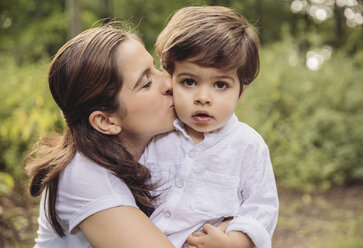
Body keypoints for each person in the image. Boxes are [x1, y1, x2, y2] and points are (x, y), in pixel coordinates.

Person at [25, 23, 178, 247]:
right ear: (106, 121)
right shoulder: (83, 176)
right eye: (146, 83)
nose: (169, 82)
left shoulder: (160, 143)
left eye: (156, 67)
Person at [140, 6, 279, 248]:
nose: (203, 97)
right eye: (189, 81)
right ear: (169, 79)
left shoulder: (247, 145)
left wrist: (232, 242)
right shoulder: (155, 132)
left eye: (221, 85)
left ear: (240, 92)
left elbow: (261, 208)